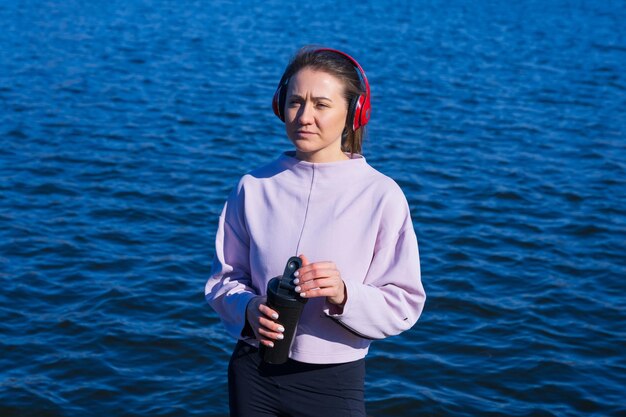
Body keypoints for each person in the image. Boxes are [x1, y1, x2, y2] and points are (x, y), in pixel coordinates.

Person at [205, 46, 426, 417]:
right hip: (252, 371)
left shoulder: (380, 195)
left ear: (354, 113)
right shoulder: (253, 186)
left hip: (332, 382)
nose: (304, 117)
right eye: (295, 102)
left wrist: (344, 294)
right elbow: (224, 280)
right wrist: (249, 308)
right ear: (280, 106)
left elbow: (404, 304)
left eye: (321, 105)